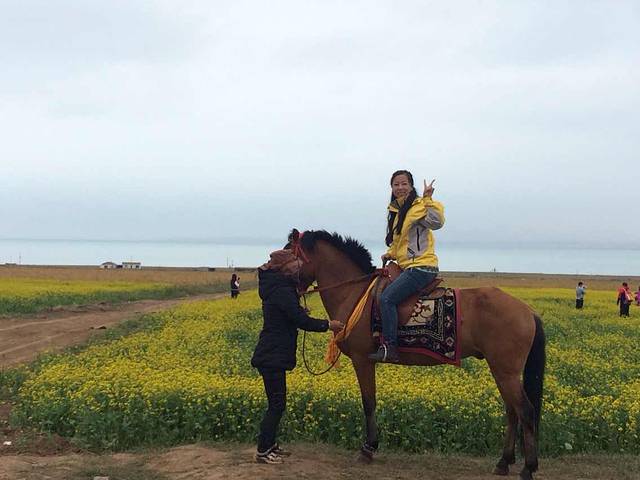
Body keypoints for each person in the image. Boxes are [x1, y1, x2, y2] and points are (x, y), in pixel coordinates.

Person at [251, 248, 343, 464]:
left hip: (272, 355)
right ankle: (263, 451)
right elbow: (301, 321)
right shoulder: (281, 290)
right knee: (276, 405)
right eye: (293, 265)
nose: (297, 268)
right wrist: (328, 325)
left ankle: (270, 445)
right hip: (272, 356)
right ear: (284, 268)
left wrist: (299, 311)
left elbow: (289, 314)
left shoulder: (278, 287)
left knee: (277, 404)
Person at [369, 169, 445, 363]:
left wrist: (428, 199)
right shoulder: (398, 211)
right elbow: (401, 242)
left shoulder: (418, 206)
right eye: (396, 184)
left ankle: (390, 347)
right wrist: (391, 254)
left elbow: (437, 222)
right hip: (408, 266)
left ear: (411, 187)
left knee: (387, 299)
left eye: (404, 184)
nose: (400, 187)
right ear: (392, 188)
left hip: (421, 266)